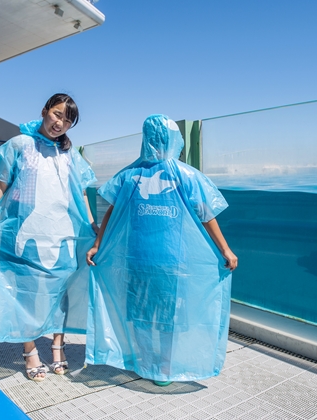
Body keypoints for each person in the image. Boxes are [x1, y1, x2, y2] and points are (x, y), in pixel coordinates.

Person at [85, 114, 238, 385]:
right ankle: (163, 367)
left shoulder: (129, 175)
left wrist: (99, 244)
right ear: (173, 140)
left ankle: (146, 362)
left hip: (138, 259)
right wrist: (225, 249)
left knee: (142, 315)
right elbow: (206, 215)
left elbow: (112, 212)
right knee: (167, 318)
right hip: (171, 261)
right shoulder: (186, 175)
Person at [0, 93, 97, 382]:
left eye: (68, 120)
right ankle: (29, 350)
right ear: (45, 111)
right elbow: (0, 184)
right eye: (57, 114)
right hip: (28, 233)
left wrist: (89, 224)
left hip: (64, 234)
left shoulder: (70, 154)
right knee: (28, 293)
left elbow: (81, 193)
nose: (61, 123)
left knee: (62, 291)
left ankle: (58, 345)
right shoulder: (20, 145)